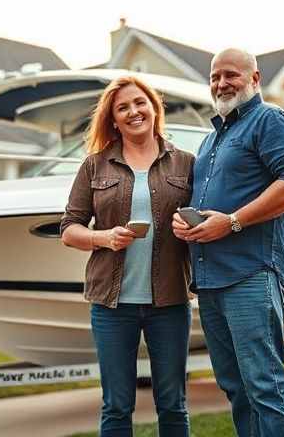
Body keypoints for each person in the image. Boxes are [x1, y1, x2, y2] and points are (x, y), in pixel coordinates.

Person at [172, 48, 284, 437]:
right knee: (235, 388)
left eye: (231, 75)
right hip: (211, 281)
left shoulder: (269, 120)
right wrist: (188, 224)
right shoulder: (211, 139)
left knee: (265, 386)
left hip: (251, 275)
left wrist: (232, 222)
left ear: (255, 78)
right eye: (215, 76)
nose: (221, 83)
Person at [61, 75, 195, 437]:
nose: (133, 111)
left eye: (140, 103)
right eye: (123, 108)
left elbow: (204, 222)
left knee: (173, 404)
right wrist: (104, 238)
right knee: (117, 406)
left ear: (154, 108)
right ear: (114, 119)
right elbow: (69, 229)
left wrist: (192, 227)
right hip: (111, 306)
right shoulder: (94, 166)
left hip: (170, 303)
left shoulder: (185, 163)